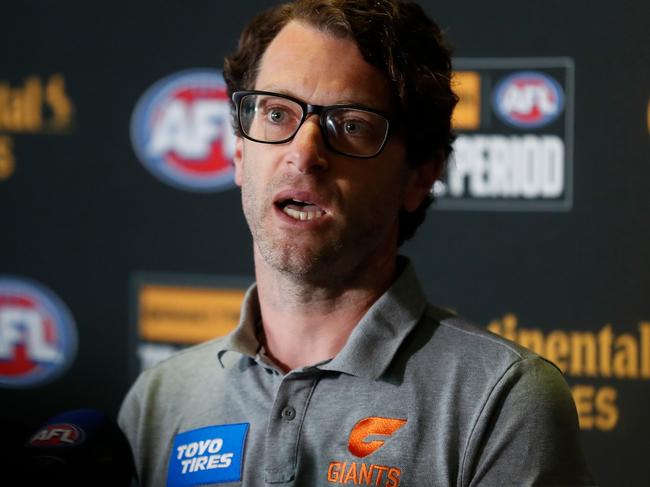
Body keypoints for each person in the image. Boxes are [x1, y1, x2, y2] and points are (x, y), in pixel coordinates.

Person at [118, 1, 595, 486]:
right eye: (277, 113)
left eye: (350, 125)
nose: (303, 155)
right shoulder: (161, 399)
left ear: (419, 176)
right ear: (240, 151)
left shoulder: (501, 400)